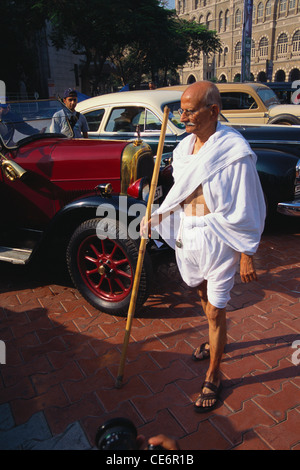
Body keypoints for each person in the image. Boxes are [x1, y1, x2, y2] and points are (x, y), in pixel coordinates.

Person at [141, 81, 266, 413]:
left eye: (190, 110)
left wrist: (247, 254)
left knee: (215, 308)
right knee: (200, 294)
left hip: (219, 235)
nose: (183, 116)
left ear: (213, 111)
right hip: (189, 232)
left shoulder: (234, 150)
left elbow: (247, 203)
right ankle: (216, 339)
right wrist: (157, 214)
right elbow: (180, 191)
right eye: (181, 109)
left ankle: (214, 374)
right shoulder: (183, 149)